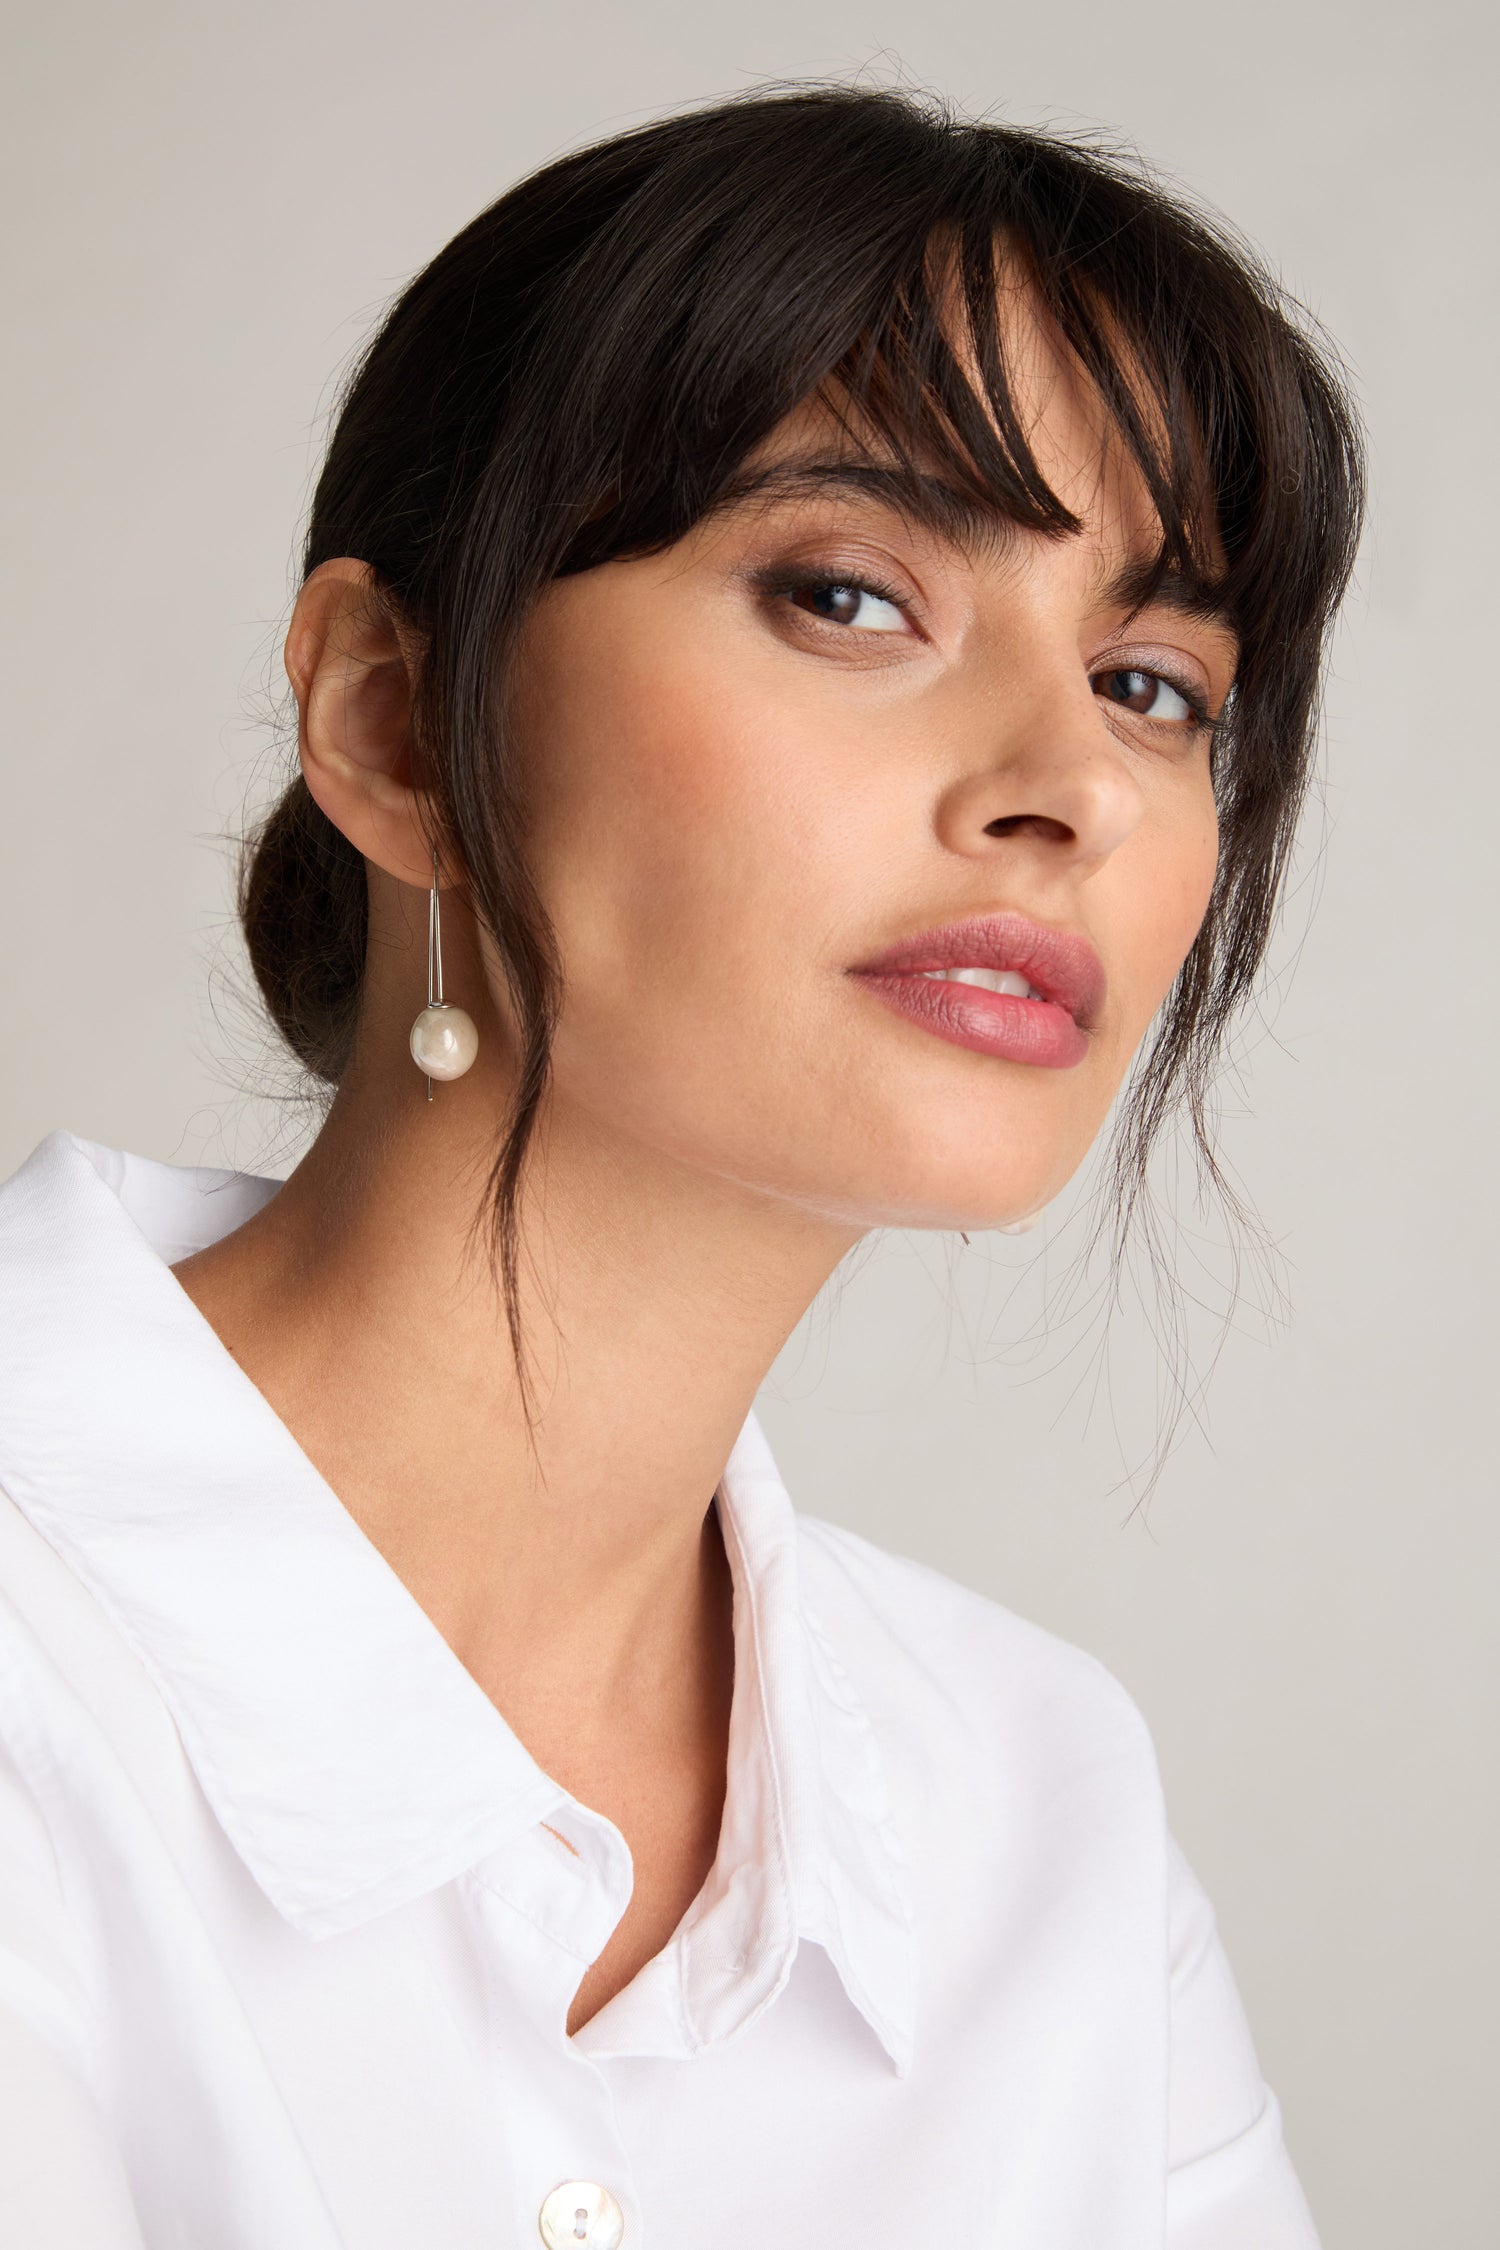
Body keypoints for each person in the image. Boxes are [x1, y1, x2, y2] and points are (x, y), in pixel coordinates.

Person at [0, 83, 1362, 2249]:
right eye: (849, 595)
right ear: (384, 723)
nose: (1067, 788)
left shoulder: (1039, 1810)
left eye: (1153, 683)